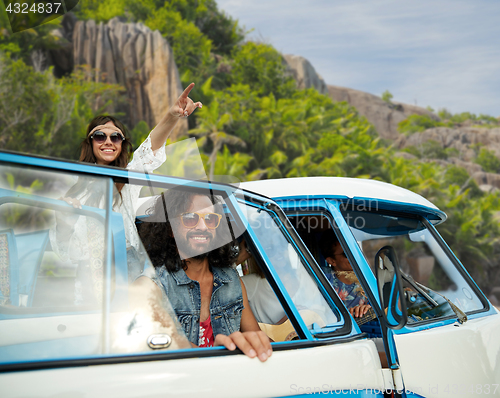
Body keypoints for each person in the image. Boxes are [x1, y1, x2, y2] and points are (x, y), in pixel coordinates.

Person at [50, 83, 202, 303]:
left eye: (116, 137)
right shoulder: (74, 187)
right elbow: (66, 251)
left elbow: (148, 151)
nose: (108, 142)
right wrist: (62, 219)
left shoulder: (127, 180)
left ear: (121, 144)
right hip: (88, 273)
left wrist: (171, 115)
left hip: (127, 265)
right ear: (90, 143)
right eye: (100, 136)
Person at [136, 188, 272, 362]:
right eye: (190, 218)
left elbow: (257, 338)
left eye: (210, 219)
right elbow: (154, 344)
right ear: (170, 229)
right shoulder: (152, 286)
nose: (202, 226)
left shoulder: (232, 281)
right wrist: (215, 355)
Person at [319, 229, 372, 318]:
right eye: (346, 254)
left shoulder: (367, 279)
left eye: (354, 251)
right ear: (332, 261)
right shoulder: (322, 278)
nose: (353, 256)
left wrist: (368, 309)